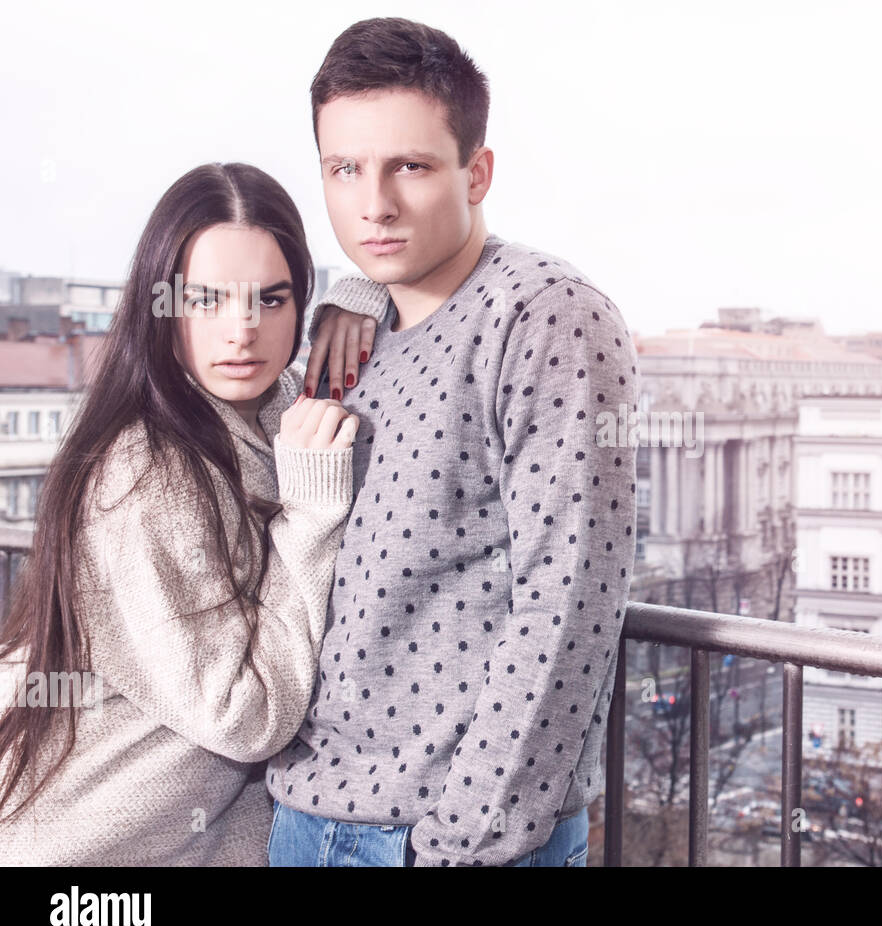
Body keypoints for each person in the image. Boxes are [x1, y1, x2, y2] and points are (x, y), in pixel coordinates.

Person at [265, 18, 640, 867]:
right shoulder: (355, 333)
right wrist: (353, 290)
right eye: (345, 169)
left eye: (411, 166)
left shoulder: (546, 315)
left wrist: (462, 843)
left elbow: (570, 599)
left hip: (441, 838)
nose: (375, 205)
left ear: (478, 172)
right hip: (300, 819)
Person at [0, 162, 360, 865]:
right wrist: (314, 513)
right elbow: (247, 716)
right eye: (208, 300)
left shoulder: (264, 410)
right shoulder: (146, 470)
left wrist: (363, 296)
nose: (242, 330)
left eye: (272, 298)